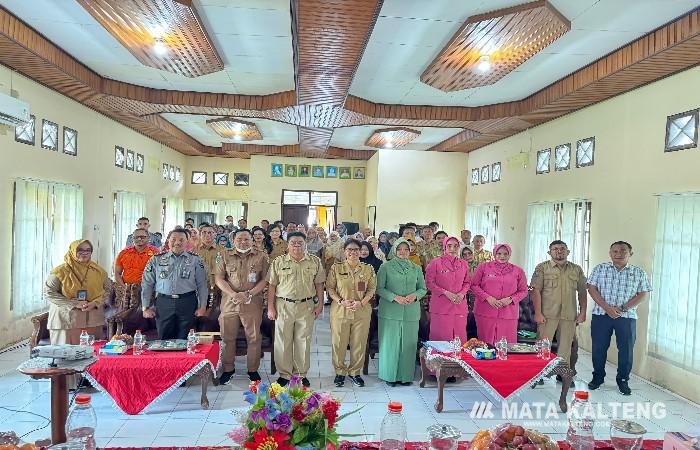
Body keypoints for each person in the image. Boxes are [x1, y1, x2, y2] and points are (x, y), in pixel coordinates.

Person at [587, 241, 652, 395]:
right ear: (610, 253)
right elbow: (591, 288)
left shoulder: (639, 273)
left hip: (627, 317)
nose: (619, 254)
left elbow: (643, 294)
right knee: (598, 348)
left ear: (630, 253)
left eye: (623, 251)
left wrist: (623, 308)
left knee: (626, 350)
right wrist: (607, 308)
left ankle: (623, 380)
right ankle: (598, 377)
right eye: (615, 251)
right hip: (601, 315)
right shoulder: (600, 269)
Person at [44, 239, 111, 388]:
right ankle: (66, 386)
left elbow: (108, 290)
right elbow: (49, 293)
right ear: (73, 251)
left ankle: (89, 382)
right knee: (67, 352)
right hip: (66, 319)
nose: (84, 253)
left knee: (90, 351)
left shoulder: (98, 271)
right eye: (80, 250)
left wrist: (96, 302)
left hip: (92, 317)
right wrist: (74, 303)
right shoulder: (60, 271)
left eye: (88, 250)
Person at [267, 232, 326, 387]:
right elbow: (272, 285)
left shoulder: (314, 261)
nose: (297, 245)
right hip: (283, 305)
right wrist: (270, 307)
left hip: (306, 306)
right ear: (288, 245)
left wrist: (320, 304)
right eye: (293, 242)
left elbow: (319, 284)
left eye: (300, 242)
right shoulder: (278, 262)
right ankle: (284, 374)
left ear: (305, 244)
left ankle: (300, 374)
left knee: (303, 341)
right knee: (283, 341)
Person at [215, 229, 269, 384]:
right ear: (233, 240)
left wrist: (249, 294)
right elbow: (219, 278)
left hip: (252, 302)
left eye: (246, 239)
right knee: (227, 337)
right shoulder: (224, 255)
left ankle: (252, 370)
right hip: (229, 302)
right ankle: (228, 369)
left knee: (253, 338)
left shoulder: (261, 256)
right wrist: (233, 294)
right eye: (239, 239)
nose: (243, 242)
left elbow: (265, 279)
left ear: (252, 240)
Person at [376, 238, 427, 386]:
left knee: (408, 344)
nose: (403, 252)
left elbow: (423, 288)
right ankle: (389, 376)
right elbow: (379, 288)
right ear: (394, 250)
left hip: (410, 312)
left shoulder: (416, 268)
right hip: (390, 311)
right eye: (399, 249)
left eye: (406, 249)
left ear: (410, 250)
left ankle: (405, 376)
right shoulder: (386, 267)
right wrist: (394, 297)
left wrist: (415, 296)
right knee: (390, 344)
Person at [326, 239, 377, 387]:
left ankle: (355, 372)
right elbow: (330, 288)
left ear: (360, 251)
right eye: (350, 249)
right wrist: (341, 301)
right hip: (340, 311)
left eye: (356, 249)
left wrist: (362, 302)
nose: (353, 252)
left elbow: (372, 289)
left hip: (361, 311)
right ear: (344, 251)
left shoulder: (368, 269)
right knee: (339, 343)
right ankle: (340, 372)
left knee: (359, 343)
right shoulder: (336, 268)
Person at [141, 228, 208, 340]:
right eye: (173, 239)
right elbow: (147, 284)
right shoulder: (156, 259)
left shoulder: (196, 260)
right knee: (164, 338)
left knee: (186, 339)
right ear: (168, 241)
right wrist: (145, 307)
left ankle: (184, 358)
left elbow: (202, 285)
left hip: (187, 302)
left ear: (187, 242)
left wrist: (202, 306)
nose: (177, 242)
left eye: (181, 240)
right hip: (164, 302)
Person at [531, 240, 587, 371]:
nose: (559, 251)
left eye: (562, 248)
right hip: (547, 314)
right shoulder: (542, 267)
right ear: (549, 252)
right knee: (543, 345)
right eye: (555, 248)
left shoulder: (576, 269)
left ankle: (563, 374)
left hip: (569, 314)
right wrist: (538, 313)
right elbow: (536, 290)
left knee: (565, 347)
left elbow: (582, 291)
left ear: (568, 252)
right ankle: (538, 373)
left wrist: (582, 312)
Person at [470, 244, 528, 345]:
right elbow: (474, 285)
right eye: (499, 253)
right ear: (494, 254)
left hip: (508, 313)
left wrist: (511, 299)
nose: (502, 256)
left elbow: (523, 290)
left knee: (506, 346)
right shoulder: (483, 267)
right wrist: (487, 297)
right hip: (485, 311)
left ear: (509, 255)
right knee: (485, 345)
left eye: (505, 254)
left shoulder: (518, 271)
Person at [425, 236, 471, 342]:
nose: (452, 249)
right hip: (440, 307)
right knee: (441, 339)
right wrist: (445, 292)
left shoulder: (463, 264)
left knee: (459, 338)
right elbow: (429, 283)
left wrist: (462, 293)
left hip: (459, 305)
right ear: (444, 247)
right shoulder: (435, 263)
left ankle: (458, 359)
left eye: (455, 246)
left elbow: (467, 282)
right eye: (449, 246)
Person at [114, 228, 159, 313]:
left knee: (144, 317)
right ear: (132, 239)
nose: (139, 239)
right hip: (127, 290)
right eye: (136, 237)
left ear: (148, 238)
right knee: (125, 315)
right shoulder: (123, 253)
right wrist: (124, 287)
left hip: (148, 291)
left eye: (142, 237)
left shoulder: (155, 253)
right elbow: (117, 273)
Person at [193, 224, 223, 312]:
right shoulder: (193, 251)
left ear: (215, 235)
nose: (207, 235)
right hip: (197, 289)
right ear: (200, 235)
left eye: (210, 232)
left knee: (213, 317)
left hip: (216, 289)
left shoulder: (222, 251)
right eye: (204, 232)